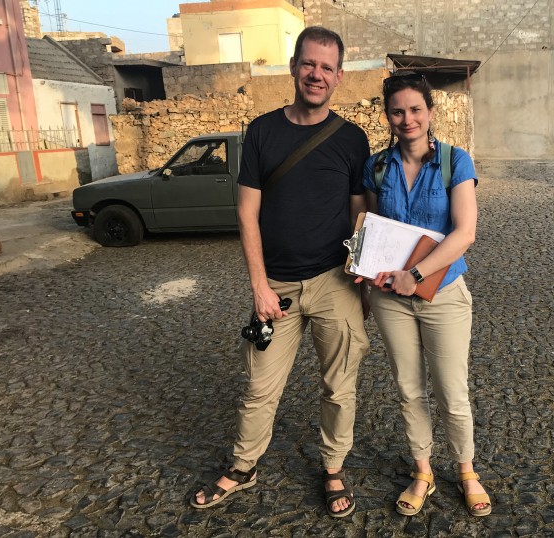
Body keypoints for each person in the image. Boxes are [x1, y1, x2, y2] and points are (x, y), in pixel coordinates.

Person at [190, 26, 370, 518]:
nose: (317, 75)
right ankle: (244, 466)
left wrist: (365, 279)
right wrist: (259, 287)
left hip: (336, 282)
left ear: (338, 77)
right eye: (309, 64)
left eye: (327, 68)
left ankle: (333, 467)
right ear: (294, 66)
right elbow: (247, 214)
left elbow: (361, 216)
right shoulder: (263, 132)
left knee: (339, 387)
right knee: (259, 387)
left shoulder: (353, 140)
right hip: (278, 288)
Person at [359, 73, 491, 517]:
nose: (407, 118)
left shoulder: (456, 162)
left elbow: (465, 232)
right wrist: (364, 272)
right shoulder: (377, 167)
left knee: (452, 390)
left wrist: (415, 273)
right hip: (391, 299)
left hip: (444, 293)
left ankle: (467, 470)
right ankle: (423, 470)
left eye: (415, 109)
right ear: (388, 116)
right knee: (408, 389)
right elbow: (370, 229)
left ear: (430, 113)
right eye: (397, 111)